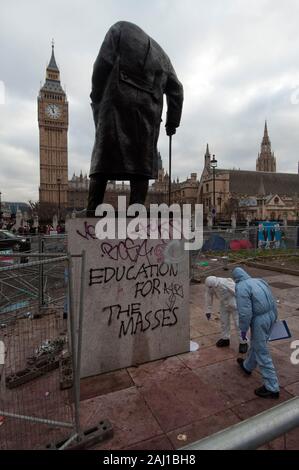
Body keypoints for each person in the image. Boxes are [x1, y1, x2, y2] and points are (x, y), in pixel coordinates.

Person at [87, 21, 184, 215]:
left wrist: (97, 95)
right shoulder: (163, 58)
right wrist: (172, 122)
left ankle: (92, 208)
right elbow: (177, 90)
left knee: (103, 155)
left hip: (116, 100)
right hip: (149, 112)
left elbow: (102, 64)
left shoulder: (121, 29)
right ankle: (136, 209)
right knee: (142, 163)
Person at [232, 267, 280, 399]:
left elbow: (244, 312)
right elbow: (271, 297)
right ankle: (248, 366)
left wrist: (243, 330)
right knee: (258, 344)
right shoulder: (259, 280)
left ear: (235, 278)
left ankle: (272, 387)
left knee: (261, 350)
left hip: (260, 319)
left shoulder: (241, 287)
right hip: (272, 314)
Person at [205, 276, 248, 354]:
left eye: (212, 287)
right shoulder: (210, 286)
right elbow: (208, 296)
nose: (211, 289)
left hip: (234, 304)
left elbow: (238, 292)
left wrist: (244, 304)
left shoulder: (226, 282)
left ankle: (243, 342)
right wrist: (208, 310)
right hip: (223, 304)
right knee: (224, 322)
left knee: (239, 324)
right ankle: (225, 339)